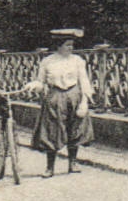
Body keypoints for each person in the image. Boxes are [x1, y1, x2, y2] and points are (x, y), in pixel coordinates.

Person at [23, 28, 95, 177]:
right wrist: (33, 85)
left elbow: (84, 81)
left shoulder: (77, 61)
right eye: (67, 44)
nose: (71, 47)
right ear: (59, 45)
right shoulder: (48, 61)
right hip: (55, 97)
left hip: (74, 96)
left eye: (72, 44)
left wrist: (84, 102)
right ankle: (50, 167)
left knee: (75, 129)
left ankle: (73, 163)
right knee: (52, 131)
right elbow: (41, 81)